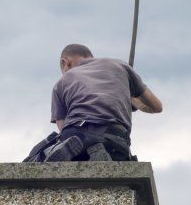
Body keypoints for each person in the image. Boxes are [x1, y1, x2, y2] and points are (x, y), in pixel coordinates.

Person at [25, 43, 163, 163]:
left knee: (40, 153)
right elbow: (156, 106)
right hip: (115, 137)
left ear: (65, 62)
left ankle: (50, 155)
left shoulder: (62, 82)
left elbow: (62, 127)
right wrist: (132, 100)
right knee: (115, 148)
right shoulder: (119, 66)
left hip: (76, 134)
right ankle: (102, 149)